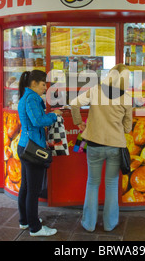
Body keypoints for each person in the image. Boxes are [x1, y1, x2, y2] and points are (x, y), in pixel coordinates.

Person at [70, 64, 133, 232]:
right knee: (111, 184)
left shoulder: (96, 91)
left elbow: (74, 104)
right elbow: (128, 129)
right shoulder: (126, 98)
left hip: (94, 145)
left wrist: (78, 123)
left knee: (92, 183)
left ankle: (89, 224)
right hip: (115, 146)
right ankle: (110, 224)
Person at [17, 70, 62, 236]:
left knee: (26, 187)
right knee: (33, 190)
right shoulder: (31, 99)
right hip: (33, 149)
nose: (45, 88)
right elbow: (38, 121)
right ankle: (35, 228)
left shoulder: (27, 97)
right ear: (34, 83)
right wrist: (53, 115)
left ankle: (25, 220)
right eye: (43, 84)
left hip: (25, 146)